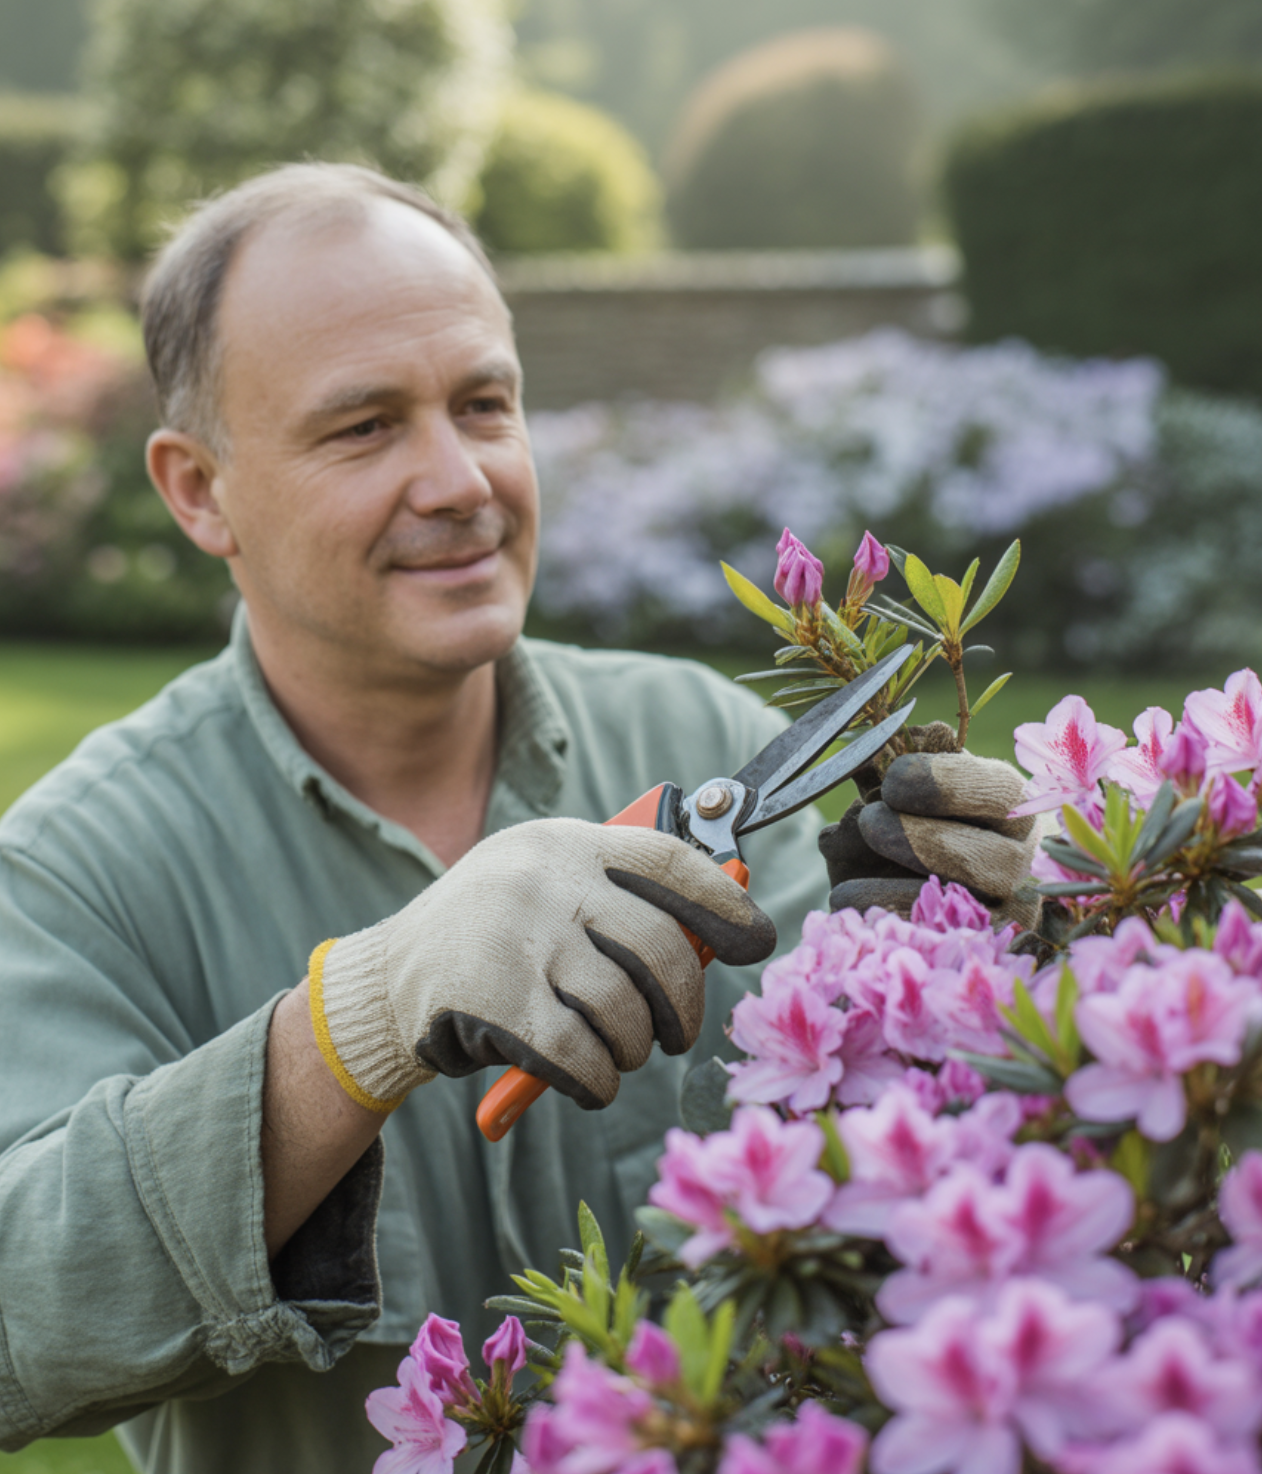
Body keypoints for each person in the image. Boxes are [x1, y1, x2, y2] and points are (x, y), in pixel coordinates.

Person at [0, 163, 1039, 1473]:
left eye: (483, 404)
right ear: (199, 489)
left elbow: (880, 1214)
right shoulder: (73, 871)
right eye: (364, 426)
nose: (459, 481)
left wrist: (942, 981)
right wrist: (355, 1022)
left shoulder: (701, 740)